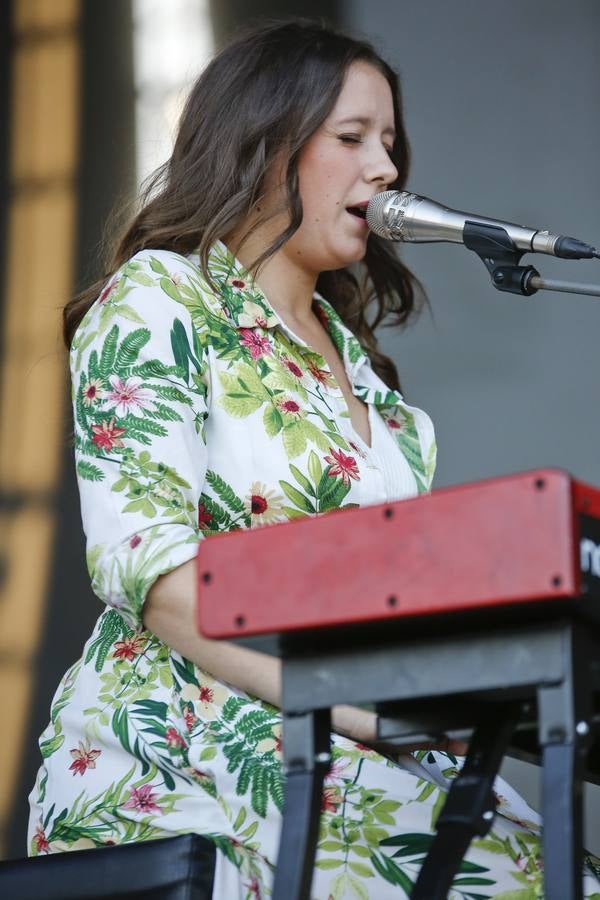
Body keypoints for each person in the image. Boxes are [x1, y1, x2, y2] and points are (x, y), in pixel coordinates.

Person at [27, 17, 600, 898]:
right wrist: (354, 713)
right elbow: (149, 569)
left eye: (391, 142)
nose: (387, 169)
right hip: (188, 742)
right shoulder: (164, 299)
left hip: (350, 742)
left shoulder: (383, 401)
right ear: (265, 146)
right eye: (352, 138)